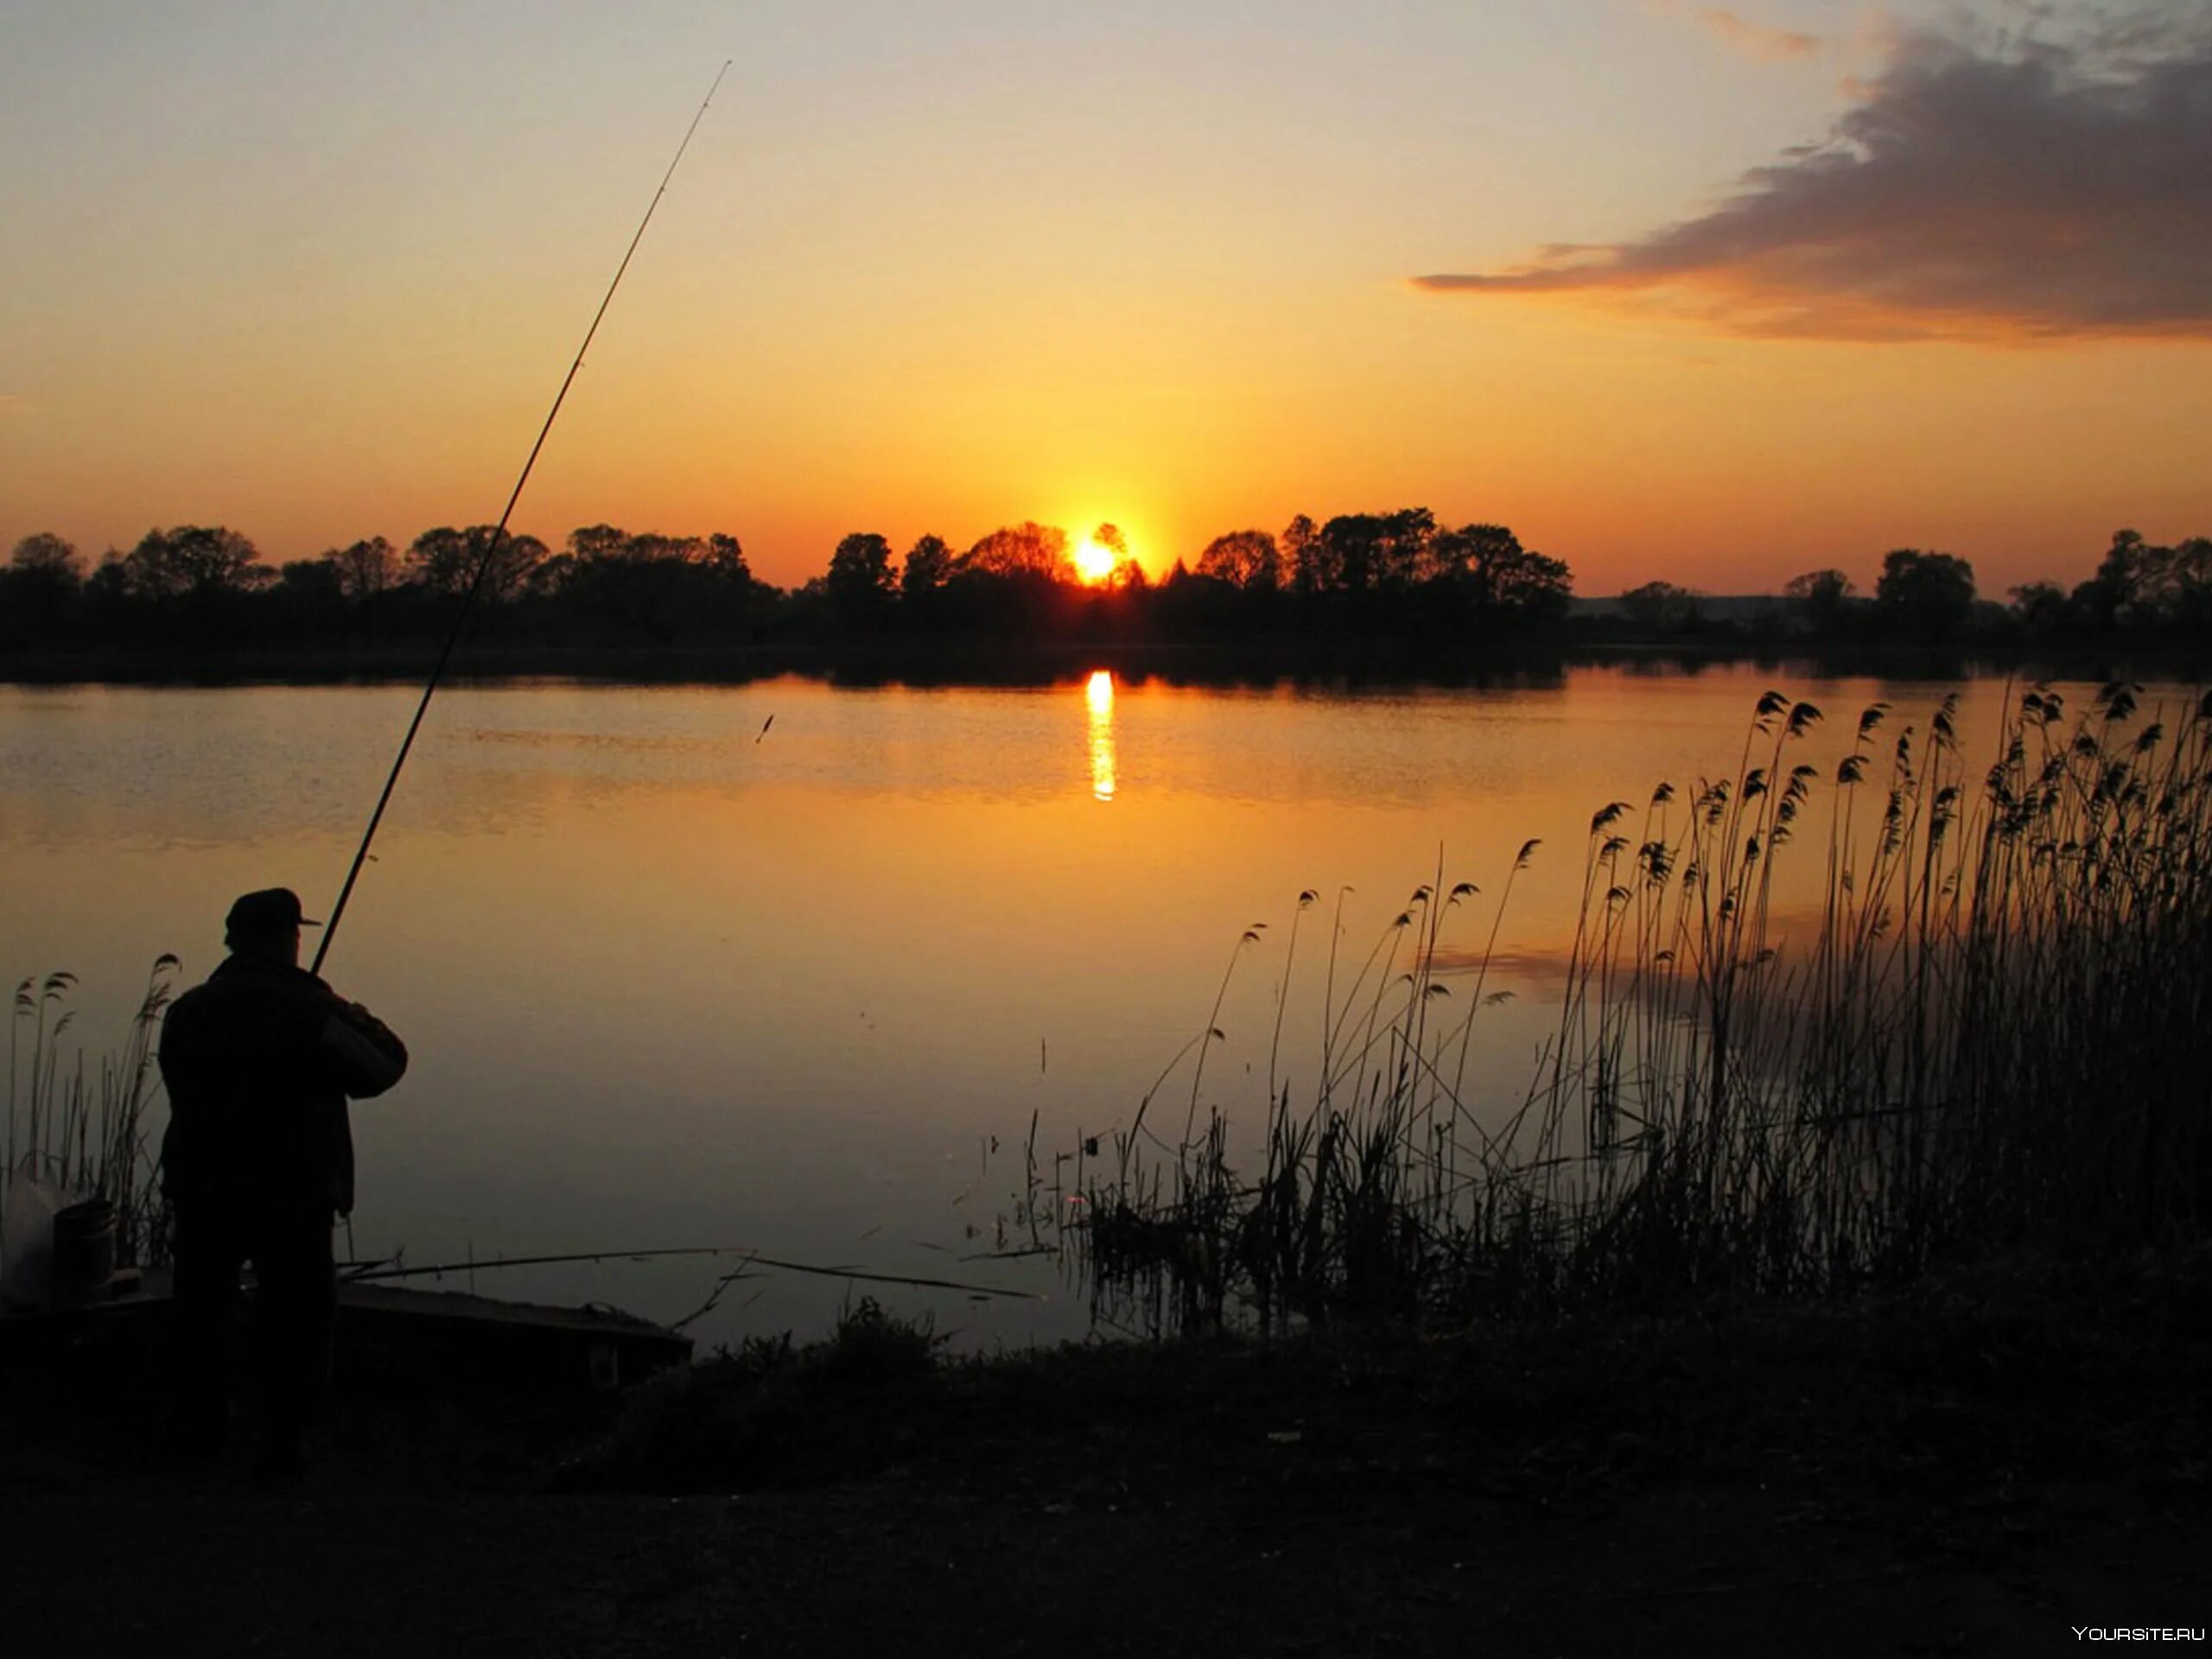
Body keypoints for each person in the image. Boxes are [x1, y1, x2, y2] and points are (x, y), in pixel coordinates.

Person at [157, 887, 408, 1477]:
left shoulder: (188, 1011)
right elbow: (385, 1064)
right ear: (288, 939)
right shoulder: (312, 1013)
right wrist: (341, 1007)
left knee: (202, 1308)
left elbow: (180, 1085)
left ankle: (199, 1434)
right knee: (298, 1314)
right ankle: (282, 1443)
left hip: (203, 1188)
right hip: (292, 1192)